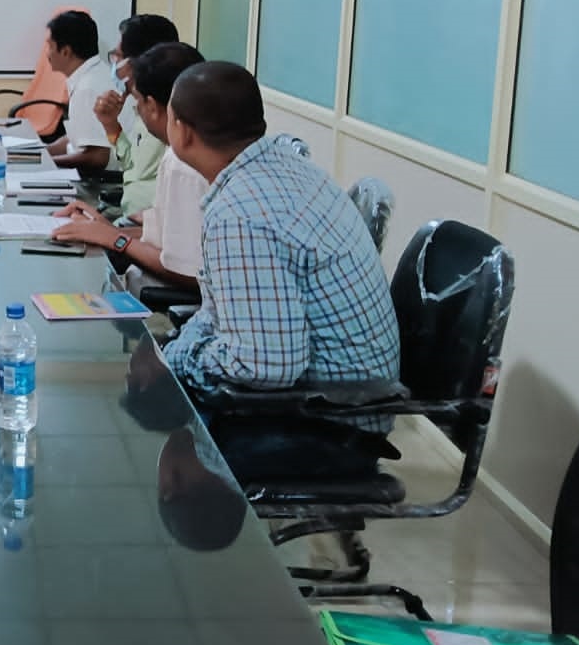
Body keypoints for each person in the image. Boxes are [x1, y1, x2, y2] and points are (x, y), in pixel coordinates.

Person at [160, 62, 400, 476]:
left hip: (326, 425)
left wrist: (182, 359)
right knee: (160, 389)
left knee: (147, 438)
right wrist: (175, 354)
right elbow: (222, 316)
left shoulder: (240, 214)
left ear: (182, 132)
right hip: (339, 404)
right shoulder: (286, 168)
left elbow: (266, 365)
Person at [50, 42, 207, 290]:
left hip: (152, 290)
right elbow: (167, 241)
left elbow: (186, 269)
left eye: (138, 101)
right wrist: (103, 230)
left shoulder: (182, 164)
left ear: (152, 106)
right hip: (139, 249)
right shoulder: (186, 152)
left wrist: (116, 239)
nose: (136, 109)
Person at [97, 14, 180, 217]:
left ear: (137, 63)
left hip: (143, 225)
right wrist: (111, 126)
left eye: (117, 56)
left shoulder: (163, 115)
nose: (114, 64)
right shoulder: (142, 107)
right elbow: (134, 168)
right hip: (130, 217)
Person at [41, 10, 113, 173]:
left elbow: (98, 157)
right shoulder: (93, 74)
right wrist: (38, 153)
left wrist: (46, 163)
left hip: (100, 179)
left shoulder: (88, 88)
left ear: (66, 51)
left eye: (50, 46)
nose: (47, 53)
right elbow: (76, 138)